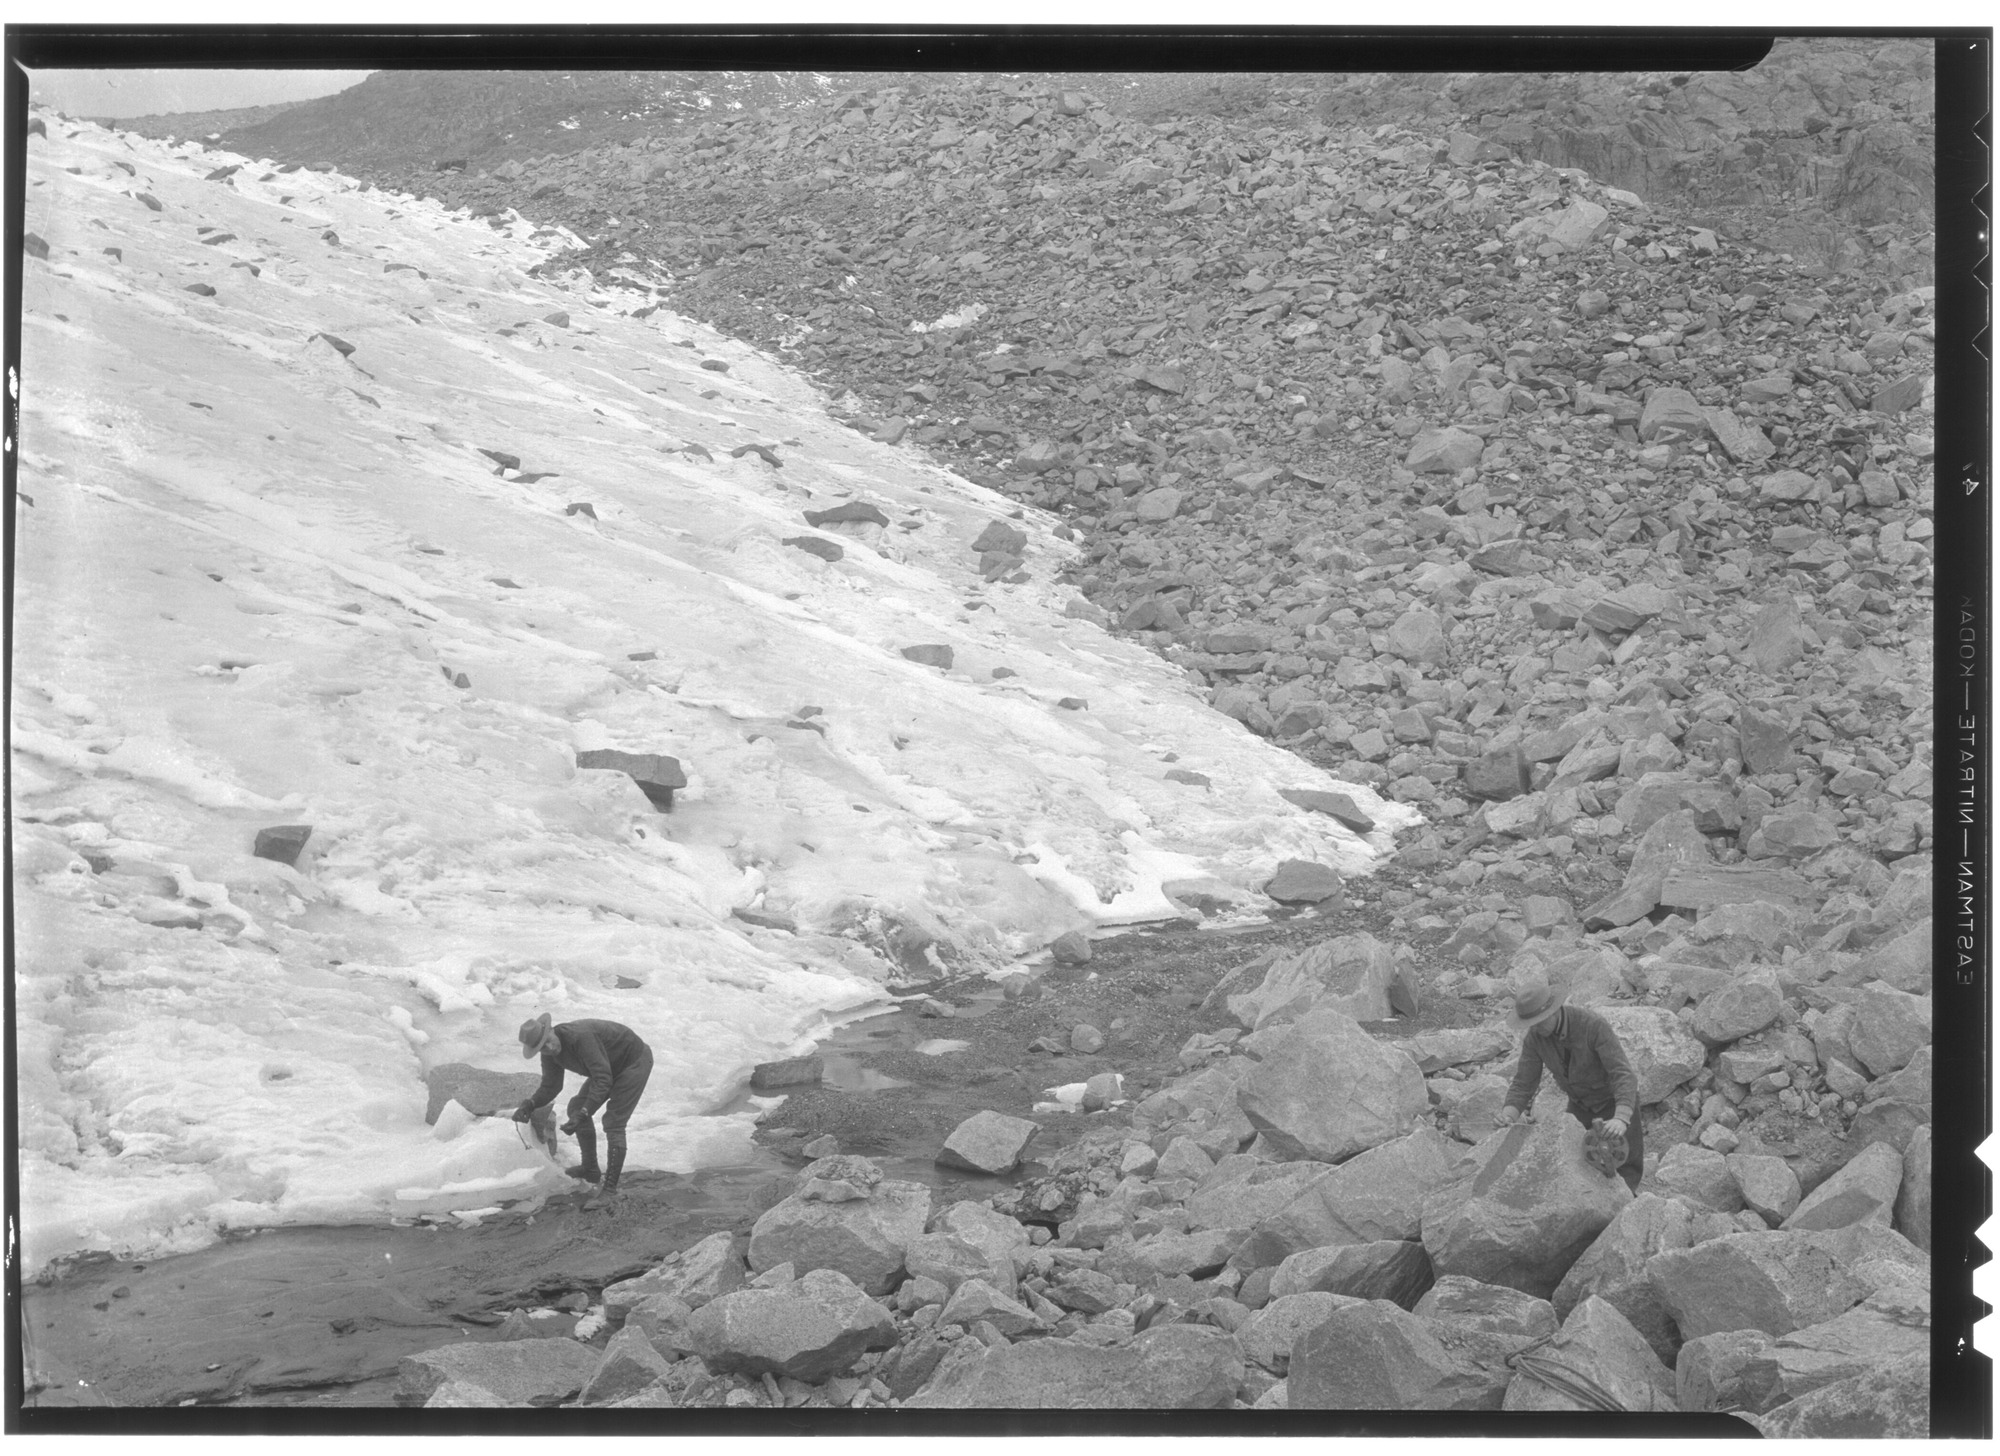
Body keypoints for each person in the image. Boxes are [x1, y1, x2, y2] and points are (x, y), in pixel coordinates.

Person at [1496, 970, 1643, 1193]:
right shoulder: (1535, 1039)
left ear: (1554, 1010)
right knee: (1580, 1164)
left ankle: (1628, 1206)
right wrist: (1509, 1115)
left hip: (1613, 1102)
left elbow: (1622, 1074)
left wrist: (1621, 1118)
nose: (1535, 1028)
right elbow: (1524, 1082)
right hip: (1580, 1105)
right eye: (1531, 1024)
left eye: (1539, 1022)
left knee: (1625, 1165)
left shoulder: (1593, 1025)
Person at [512, 1013, 653, 1203]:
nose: (549, 1048)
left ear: (551, 1030)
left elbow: (603, 1079)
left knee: (614, 1122)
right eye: (542, 1048)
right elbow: (551, 1086)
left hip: (634, 1062)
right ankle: (590, 1169)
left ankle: (610, 1190)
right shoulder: (549, 1054)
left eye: (548, 1041)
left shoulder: (580, 1037)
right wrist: (530, 1104)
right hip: (610, 1066)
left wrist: (585, 1113)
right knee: (576, 1106)